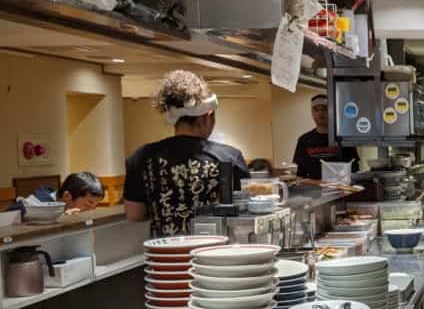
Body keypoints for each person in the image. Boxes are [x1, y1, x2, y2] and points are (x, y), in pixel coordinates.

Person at [124, 70, 249, 237]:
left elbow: (134, 214)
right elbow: (246, 210)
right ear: (206, 117)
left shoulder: (142, 156)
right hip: (214, 255)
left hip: (164, 256)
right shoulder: (228, 157)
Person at [293, 93, 360, 180]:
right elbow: (300, 173)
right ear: (312, 113)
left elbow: (354, 169)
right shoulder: (304, 140)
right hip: (313, 190)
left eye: (324, 109)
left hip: (341, 190)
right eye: (316, 110)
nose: (320, 113)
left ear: (331, 111)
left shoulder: (343, 138)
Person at [8, 172, 105, 215]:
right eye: (90, 203)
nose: (92, 210)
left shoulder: (68, 209)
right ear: (67, 196)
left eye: (96, 205)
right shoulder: (35, 205)